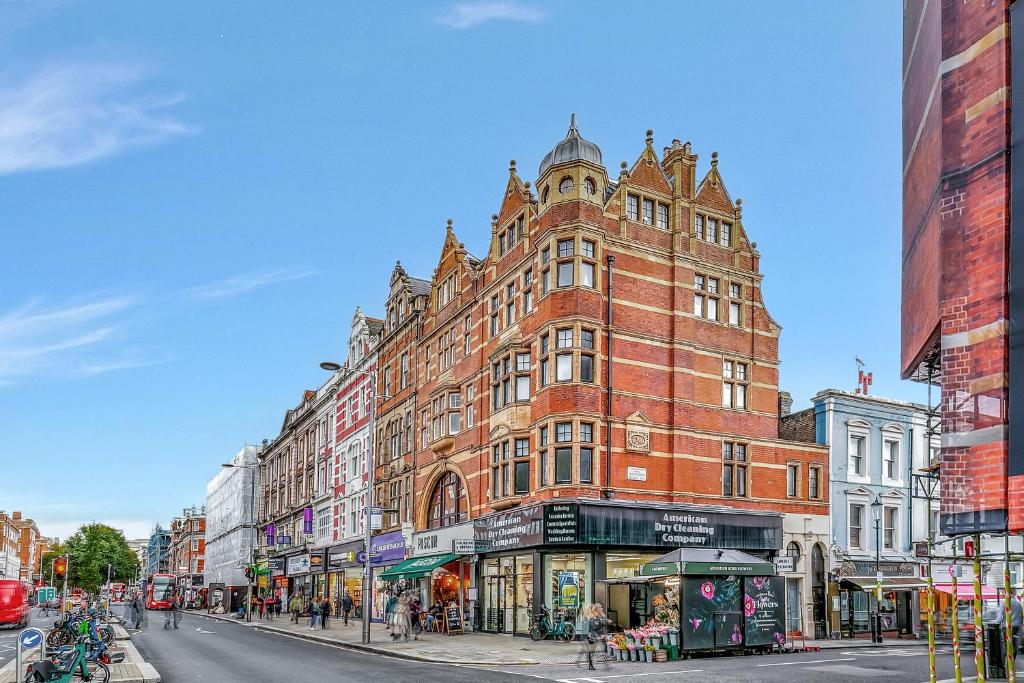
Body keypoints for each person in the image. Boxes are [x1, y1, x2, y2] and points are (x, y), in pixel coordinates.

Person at [583, 603, 610, 671]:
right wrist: (603, 622)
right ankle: (590, 664)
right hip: (592, 635)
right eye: (600, 607)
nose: (601, 608)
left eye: (601, 607)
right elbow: (594, 626)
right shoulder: (593, 616)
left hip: (598, 635)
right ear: (596, 609)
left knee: (594, 650)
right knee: (592, 650)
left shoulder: (602, 615)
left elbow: (603, 624)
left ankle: (593, 662)